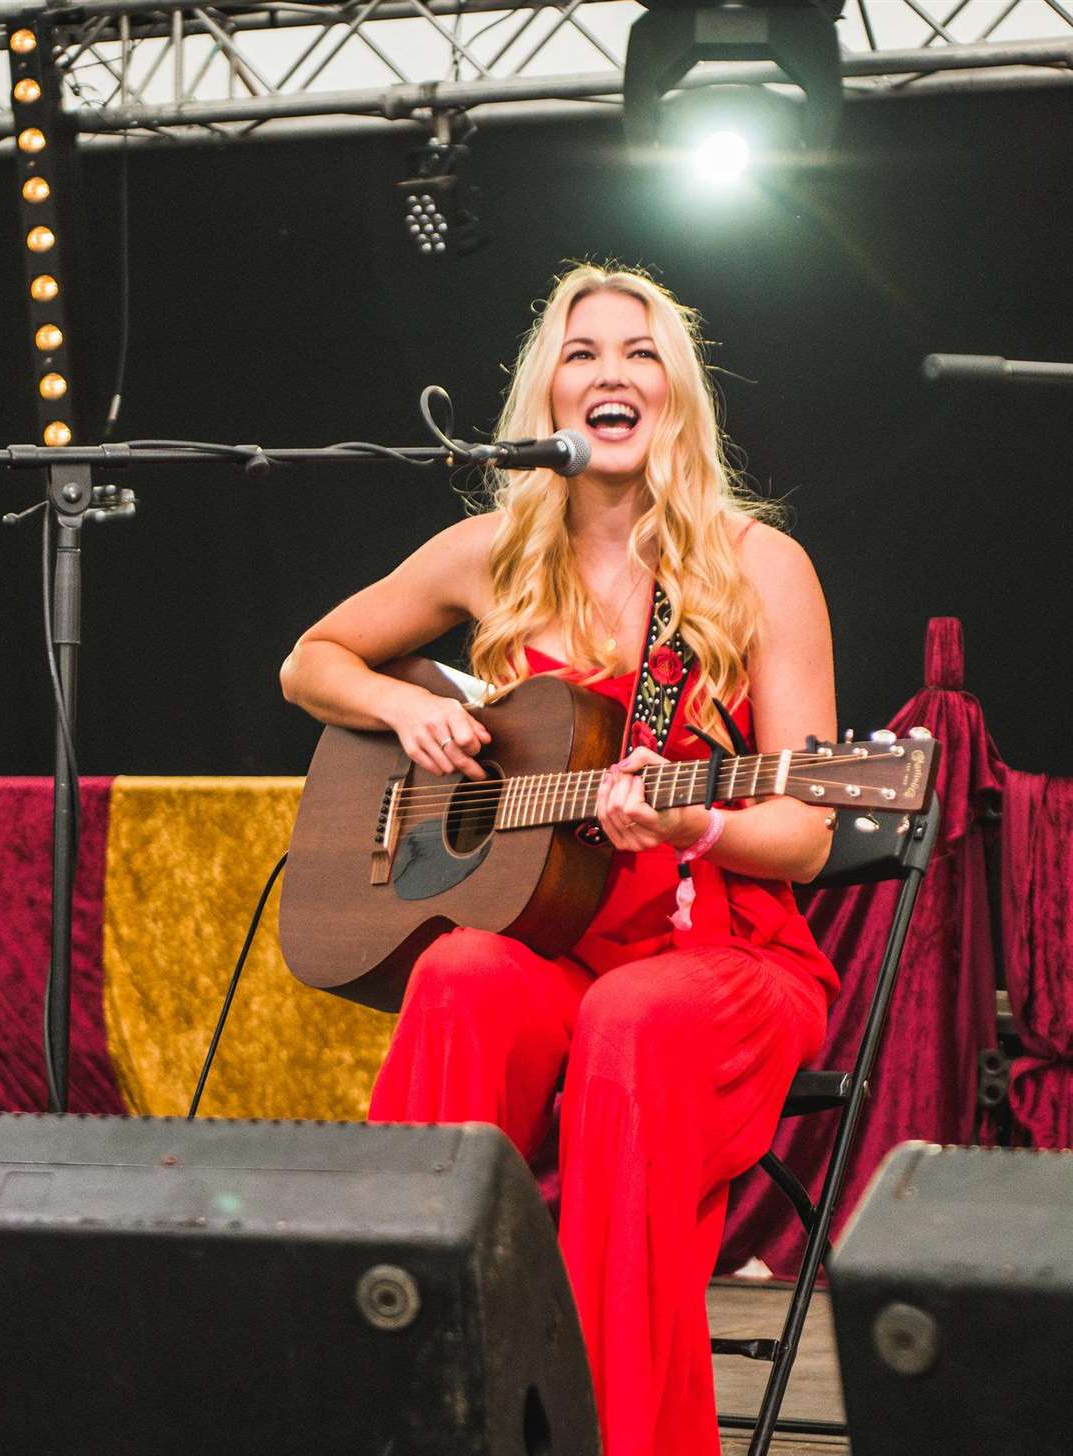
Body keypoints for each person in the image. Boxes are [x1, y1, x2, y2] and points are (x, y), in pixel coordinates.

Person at [280, 262, 838, 1456]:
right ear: (549, 399)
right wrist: (398, 707)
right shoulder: (490, 554)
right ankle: (399, 1400)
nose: (612, 373)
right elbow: (310, 659)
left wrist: (701, 824)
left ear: (676, 397)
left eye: (640, 354)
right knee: (460, 976)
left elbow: (808, 830)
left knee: (632, 1022)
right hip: (560, 945)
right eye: (583, 353)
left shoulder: (753, 566)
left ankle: (612, 1437)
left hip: (722, 957)